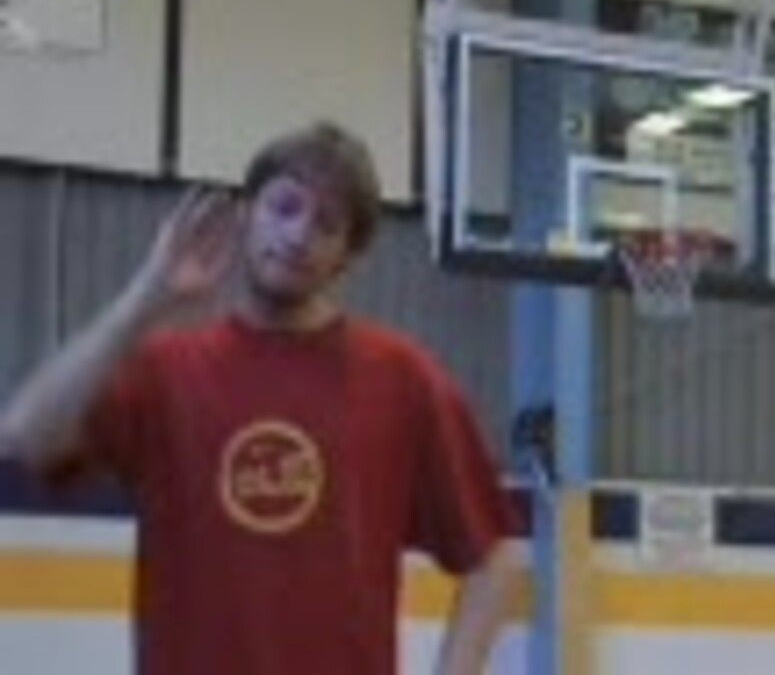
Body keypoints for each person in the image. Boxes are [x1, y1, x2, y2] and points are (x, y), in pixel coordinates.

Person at [0, 121, 518, 675]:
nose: (297, 235)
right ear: (246, 214)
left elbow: (494, 556)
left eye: (326, 224)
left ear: (346, 256)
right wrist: (146, 298)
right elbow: (24, 439)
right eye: (285, 207)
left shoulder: (403, 380)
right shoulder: (165, 371)